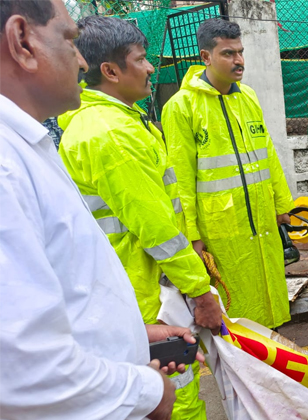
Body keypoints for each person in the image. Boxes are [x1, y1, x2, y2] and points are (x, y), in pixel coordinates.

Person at [0, 1, 200, 418]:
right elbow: (25, 367)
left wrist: (130, 334)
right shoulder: (16, 163)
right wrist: (146, 391)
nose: (79, 60)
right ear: (21, 42)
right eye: (69, 41)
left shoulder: (31, 145)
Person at [58, 16, 223, 420]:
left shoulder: (113, 123)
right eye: (142, 59)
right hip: (141, 294)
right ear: (111, 71)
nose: (151, 68)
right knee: (173, 394)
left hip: (135, 288)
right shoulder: (112, 134)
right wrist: (200, 292)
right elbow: (157, 228)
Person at [162, 18, 295, 329]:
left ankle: (273, 367)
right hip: (220, 229)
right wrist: (192, 236)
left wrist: (281, 205)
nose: (239, 61)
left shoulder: (247, 97)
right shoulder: (181, 107)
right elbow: (181, 178)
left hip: (262, 221)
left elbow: (268, 154)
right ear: (206, 57)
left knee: (270, 306)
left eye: (240, 52)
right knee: (238, 316)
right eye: (228, 53)